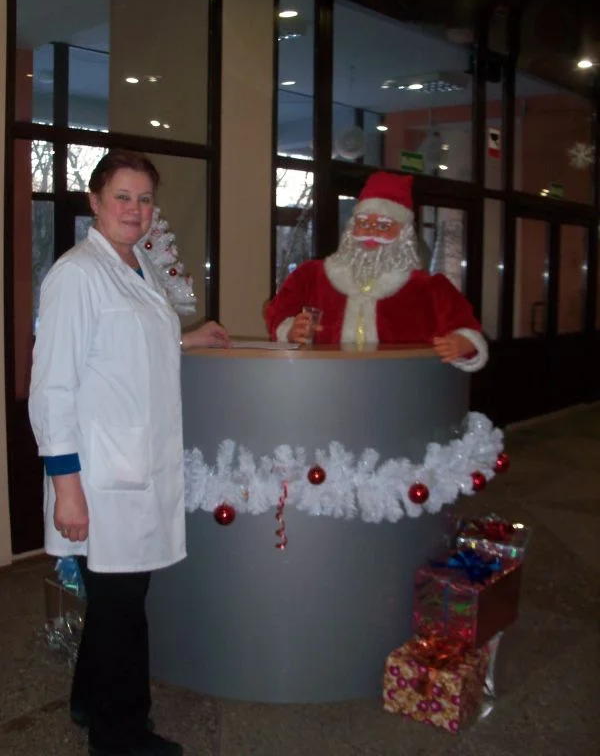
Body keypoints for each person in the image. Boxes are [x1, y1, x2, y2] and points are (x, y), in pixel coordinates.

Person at [29, 150, 229, 756]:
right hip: (98, 477)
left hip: (134, 466)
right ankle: (120, 737)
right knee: (122, 611)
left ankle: (88, 701)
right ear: (94, 201)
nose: (135, 210)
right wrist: (66, 487)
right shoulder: (76, 275)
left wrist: (187, 338)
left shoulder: (136, 264)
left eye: (144, 199)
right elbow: (52, 388)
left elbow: (131, 341)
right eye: (122, 196)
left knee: (117, 601)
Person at [264, 171, 487, 372]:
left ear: (404, 234)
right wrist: (291, 330)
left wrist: (463, 342)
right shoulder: (310, 276)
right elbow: (276, 313)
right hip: (325, 387)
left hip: (398, 393)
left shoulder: (429, 289)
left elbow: (467, 332)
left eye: (383, 225)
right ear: (351, 228)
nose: (370, 232)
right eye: (363, 222)